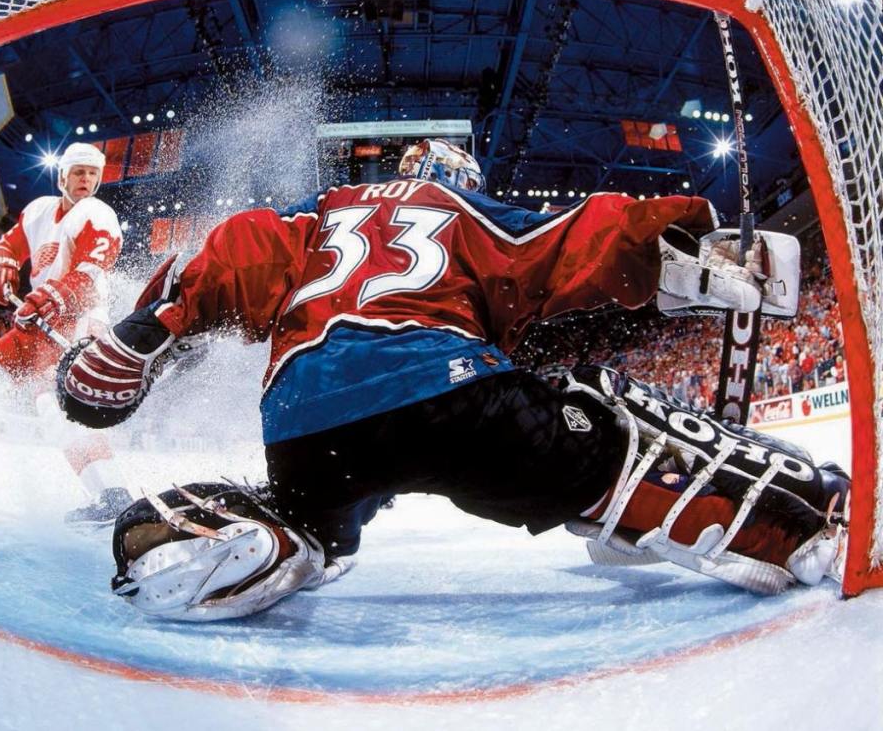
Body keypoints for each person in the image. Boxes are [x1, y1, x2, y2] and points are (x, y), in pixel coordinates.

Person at [57, 139, 845, 621]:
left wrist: (145, 331)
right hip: (452, 395)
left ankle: (283, 533)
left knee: (314, 508)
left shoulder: (318, 212)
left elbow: (237, 247)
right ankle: (805, 526)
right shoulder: (463, 210)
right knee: (596, 410)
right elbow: (569, 239)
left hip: (305, 425)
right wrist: (680, 249)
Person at [0, 142, 131, 523]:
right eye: (79, 172)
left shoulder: (99, 214)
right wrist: (1, 267)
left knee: (59, 410)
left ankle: (112, 494)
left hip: (77, 323)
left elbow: (91, 272)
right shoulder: (39, 211)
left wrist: (51, 296)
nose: (86, 180)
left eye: (92, 174)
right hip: (36, 324)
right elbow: (8, 245)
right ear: (62, 176)